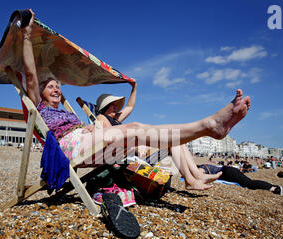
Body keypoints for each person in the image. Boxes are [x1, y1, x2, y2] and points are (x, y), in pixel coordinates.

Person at [22, 10, 251, 190]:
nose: (55, 89)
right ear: (40, 92)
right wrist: (26, 35)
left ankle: (208, 130)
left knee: (137, 127)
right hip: (69, 149)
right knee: (134, 128)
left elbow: (102, 120)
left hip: (90, 143)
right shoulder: (38, 106)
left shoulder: (68, 112)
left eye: (57, 86)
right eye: (50, 86)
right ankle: (209, 126)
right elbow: (31, 75)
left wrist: (88, 127)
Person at [94, 87, 222, 190]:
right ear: (104, 108)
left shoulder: (115, 121)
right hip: (129, 161)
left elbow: (130, 107)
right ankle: (190, 180)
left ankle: (197, 175)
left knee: (177, 141)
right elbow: (106, 141)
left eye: (116, 105)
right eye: (112, 105)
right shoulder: (102, 119)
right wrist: (137, 146)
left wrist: (134, 87)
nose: (116, 107)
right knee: (174, 142)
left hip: (137, 156)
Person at [199, 163, 283, 195]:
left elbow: (200, 173)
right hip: (229, 170)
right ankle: (272, 187)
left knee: (249, 183)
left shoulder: (202, 167)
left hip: (227, 172)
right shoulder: (205, 165)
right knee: (249, 182)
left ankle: (274, 188)